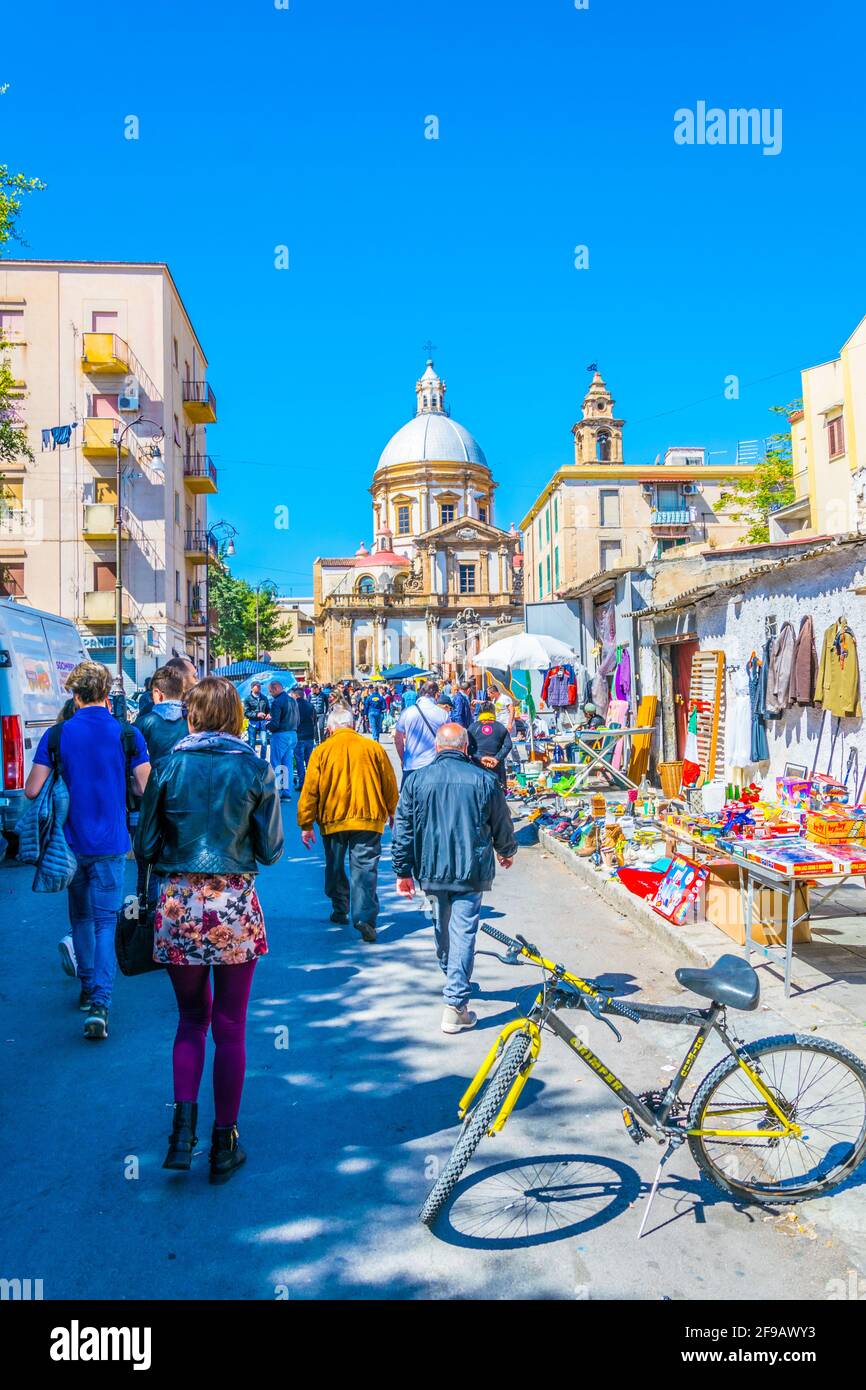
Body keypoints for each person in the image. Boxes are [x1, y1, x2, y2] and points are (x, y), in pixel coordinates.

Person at [135, 677, 283, 1183]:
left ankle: (181, 1134)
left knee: (190, 1021)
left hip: (179, 904)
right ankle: (225, 1141)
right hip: (233, 906)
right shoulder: (256, 769)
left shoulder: (168, 767)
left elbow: (146, 843)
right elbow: (270, 850)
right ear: (237, 717)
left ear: (192, 717)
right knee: (231, 1025)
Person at [24, 661, 151, 1041]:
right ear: (106, 691)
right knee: (105, 921)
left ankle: (85, 986)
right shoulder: (128, 734)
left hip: (69, 842)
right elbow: (147, 789)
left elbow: (32, 790)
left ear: (74, 693)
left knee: (79, 917)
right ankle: (101, 1002)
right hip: (112, 842)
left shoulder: (57, 735)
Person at [392, 723, 517, 1033]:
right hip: (470, 870)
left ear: (437, 747)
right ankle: (456, 999)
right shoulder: (485, 780)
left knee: (442, 927)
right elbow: (501, 821)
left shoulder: (417, 780)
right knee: (461, 931)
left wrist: (403, 871)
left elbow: (404, 828)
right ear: (465, 748)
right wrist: (506, 850)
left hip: (431, 871)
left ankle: (454, 986)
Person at [297, 705, 398, 943]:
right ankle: (364, 917)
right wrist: (393, 811)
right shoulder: (373, 748)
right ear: (353, 725)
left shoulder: (322, 751)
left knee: (334, 865)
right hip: (368, 819)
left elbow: (310, 790)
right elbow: (389, 783)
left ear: (330, 728)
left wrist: (306, 823)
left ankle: (339, 907)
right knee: (364, 869)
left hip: (333, 820)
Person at [134, 664, 191, 907]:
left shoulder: (144, 722)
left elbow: (135, 765)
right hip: (186, 799)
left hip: (152, 797)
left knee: (149, 859)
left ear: (157, 693)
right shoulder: (192, 720)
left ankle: (150, 908)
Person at [393, 680, 447, 785]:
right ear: (436, 694)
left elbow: (398, 739)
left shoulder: (407, 712)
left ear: (421, 693)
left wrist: (403, 758)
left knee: (408, 800)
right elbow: (448, 741)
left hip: (411, 765)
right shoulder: (443, 714)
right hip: (434, 766)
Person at [467, 700, 514, 788]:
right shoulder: (500, 727)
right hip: (497, 768)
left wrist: (481, 758)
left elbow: (468, 747)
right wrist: (496, 758)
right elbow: (508, 745)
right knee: (498, 796)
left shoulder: (472, 727)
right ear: (493, 712)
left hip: (478, 767)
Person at [268, 678, 299, 801]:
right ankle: (287, 792)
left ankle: (275, 791)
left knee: (276, 764)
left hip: (281, 735)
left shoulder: (277, 702)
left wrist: (267, 725)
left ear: (276, 689)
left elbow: (274, 724)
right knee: (288, 764)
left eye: (271, 691)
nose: (270, 693)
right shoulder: (293, 700)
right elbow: (298, 720)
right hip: (293, 734)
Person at [291, 685, 317, 788]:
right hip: (310, 736)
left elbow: (292, 721)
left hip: (299, 736)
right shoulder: (310, 705)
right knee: (309, 760)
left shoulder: (294, 706)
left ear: (296, 696)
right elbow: (314, 720)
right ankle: (311, 783)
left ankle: (302, 783)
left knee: (299, 760)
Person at [243, 681, 270, 755]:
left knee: (264, 742)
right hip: (252, 724)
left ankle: (262, 760)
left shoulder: (264, 698)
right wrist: (257, 714)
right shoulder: (247, 699)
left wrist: (269, 715)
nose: (259, 687)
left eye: (260, 686)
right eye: (257, 686)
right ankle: (253, 761)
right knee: (252, 744)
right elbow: (246, 713)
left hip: (263, 724)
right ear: (252, 688)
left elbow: (268, 709)